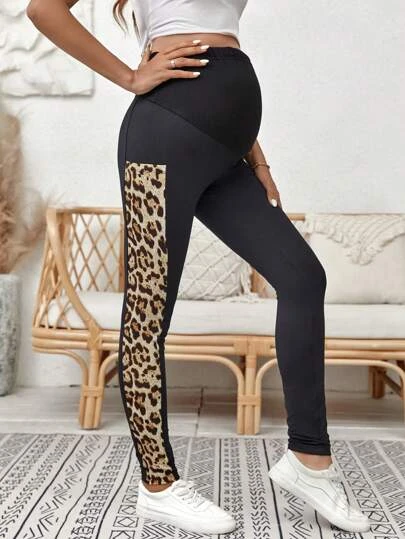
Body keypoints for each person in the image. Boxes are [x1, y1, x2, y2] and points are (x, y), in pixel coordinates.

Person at [27, 0, 371, 535]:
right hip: (162, 139)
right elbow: (43, 9)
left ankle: (310, 460)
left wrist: (256, 157)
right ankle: (158, 485)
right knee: (148, 313)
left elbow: (217, 44)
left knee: (303, 278)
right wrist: (129, 77)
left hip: (224, 151)